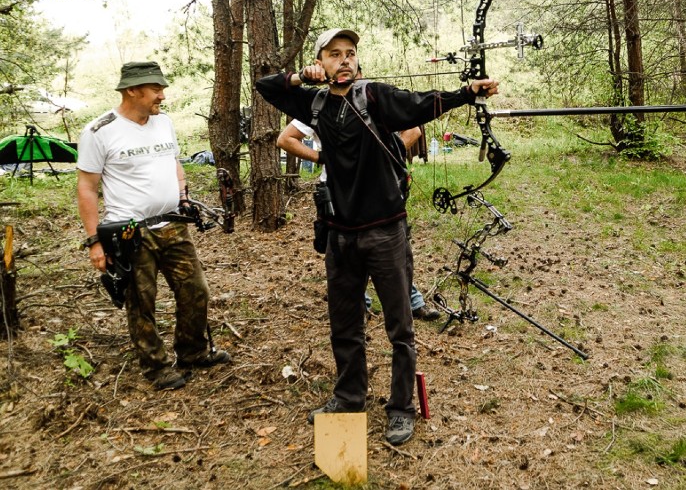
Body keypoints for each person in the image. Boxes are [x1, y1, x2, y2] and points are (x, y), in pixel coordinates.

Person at [256, 28, 499, 445]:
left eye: (350, 53)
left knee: (399, 326)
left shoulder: (375, 97)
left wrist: (467, 91)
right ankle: (350, 396)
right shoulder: (312, 103)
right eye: (334, 55)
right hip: (339, 235)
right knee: (344, 325)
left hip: (385, 232)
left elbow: (423, 104)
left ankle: (401, 407)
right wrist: (300, 77)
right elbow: (265, 87)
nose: (344, 60)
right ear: (322, 62)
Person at [77, 61, 231, 391]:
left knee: (195, 291)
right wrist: (94, 241)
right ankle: (156, 366)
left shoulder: (164, 123)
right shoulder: (99, 131)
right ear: (133, 90)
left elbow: (173, 162)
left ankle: (192, 352)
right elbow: (87, 187)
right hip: (130, 232)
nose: (162, 95)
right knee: (141, 301)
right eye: (156, 89)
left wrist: (183, 195)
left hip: (173, 225)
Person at [277, 118, 441, 321]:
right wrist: (322, 158)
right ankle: (359, 305)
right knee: (345, 251)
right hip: (338, 192)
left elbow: (413, 130)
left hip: (379, 188)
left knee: (393, 247)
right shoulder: (319, 104)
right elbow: (285, 139)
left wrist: (385, 156)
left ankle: (411, 301)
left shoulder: (374, 97)